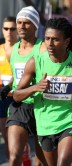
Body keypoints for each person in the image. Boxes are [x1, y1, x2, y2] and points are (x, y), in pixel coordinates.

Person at [13, 17, 72, 166]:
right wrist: (35, 87)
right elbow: (17, 96)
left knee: (63, 163)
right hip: (46, 123)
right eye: (47, 39)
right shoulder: (35, 62)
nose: (50, 44)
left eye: (55, 39)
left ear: (66, 41)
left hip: (71, 119)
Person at [5, 6, 47, 166]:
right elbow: (16, 78)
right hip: (19, 106)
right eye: (19, 22)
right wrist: (7, 88)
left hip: (40, 107)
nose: (21, 26)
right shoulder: (12, 50)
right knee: (14, 156)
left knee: (41, 161)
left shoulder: (42, 49)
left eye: (27, 23)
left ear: (36, 26)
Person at [0, 16, 18, 159]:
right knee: (6, 137)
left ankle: (22, 154)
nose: (9, 32)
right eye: (6, 28)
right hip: (2, 98)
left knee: (16, 137)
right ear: (2, 30)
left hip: (18, 97)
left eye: (12, 29)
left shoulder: (21, 50)